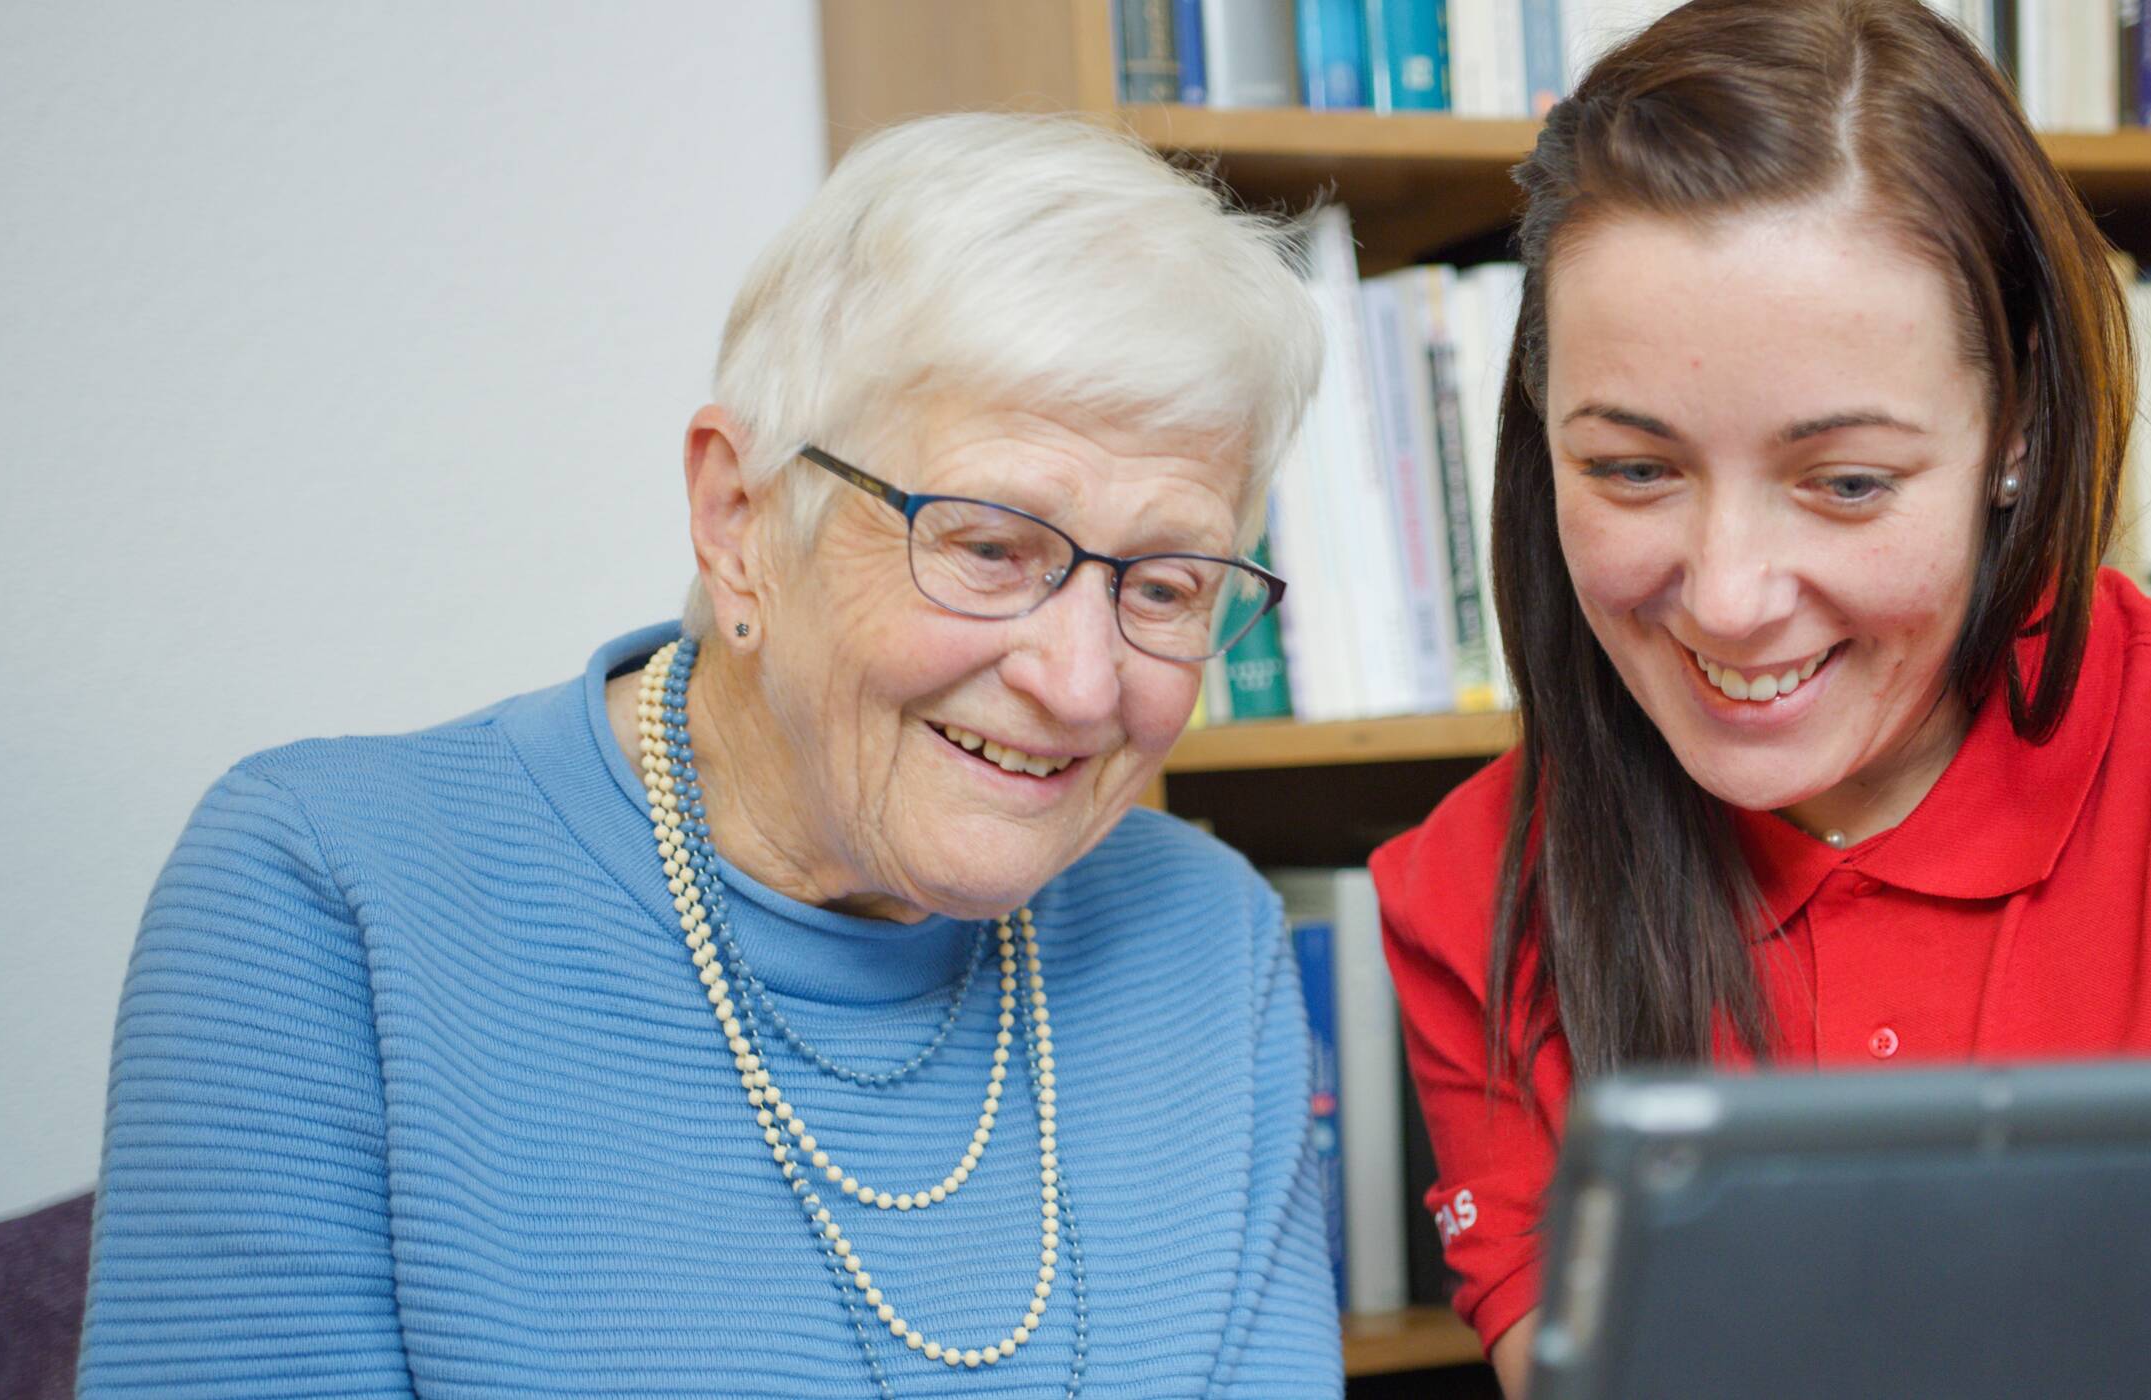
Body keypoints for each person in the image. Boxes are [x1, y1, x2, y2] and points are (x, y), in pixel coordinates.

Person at [1369, 3, 2151, 1397]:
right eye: (1635, 471)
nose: (1729, 596)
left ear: (2018, 435)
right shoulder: (1477, 892)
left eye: (1848, 482)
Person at [81, 113, 1343, 1398]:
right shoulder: (328, 896)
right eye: (986, 547)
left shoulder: (1211, 940)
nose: (1079, 683)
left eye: (1168, 584)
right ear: (737, 519)